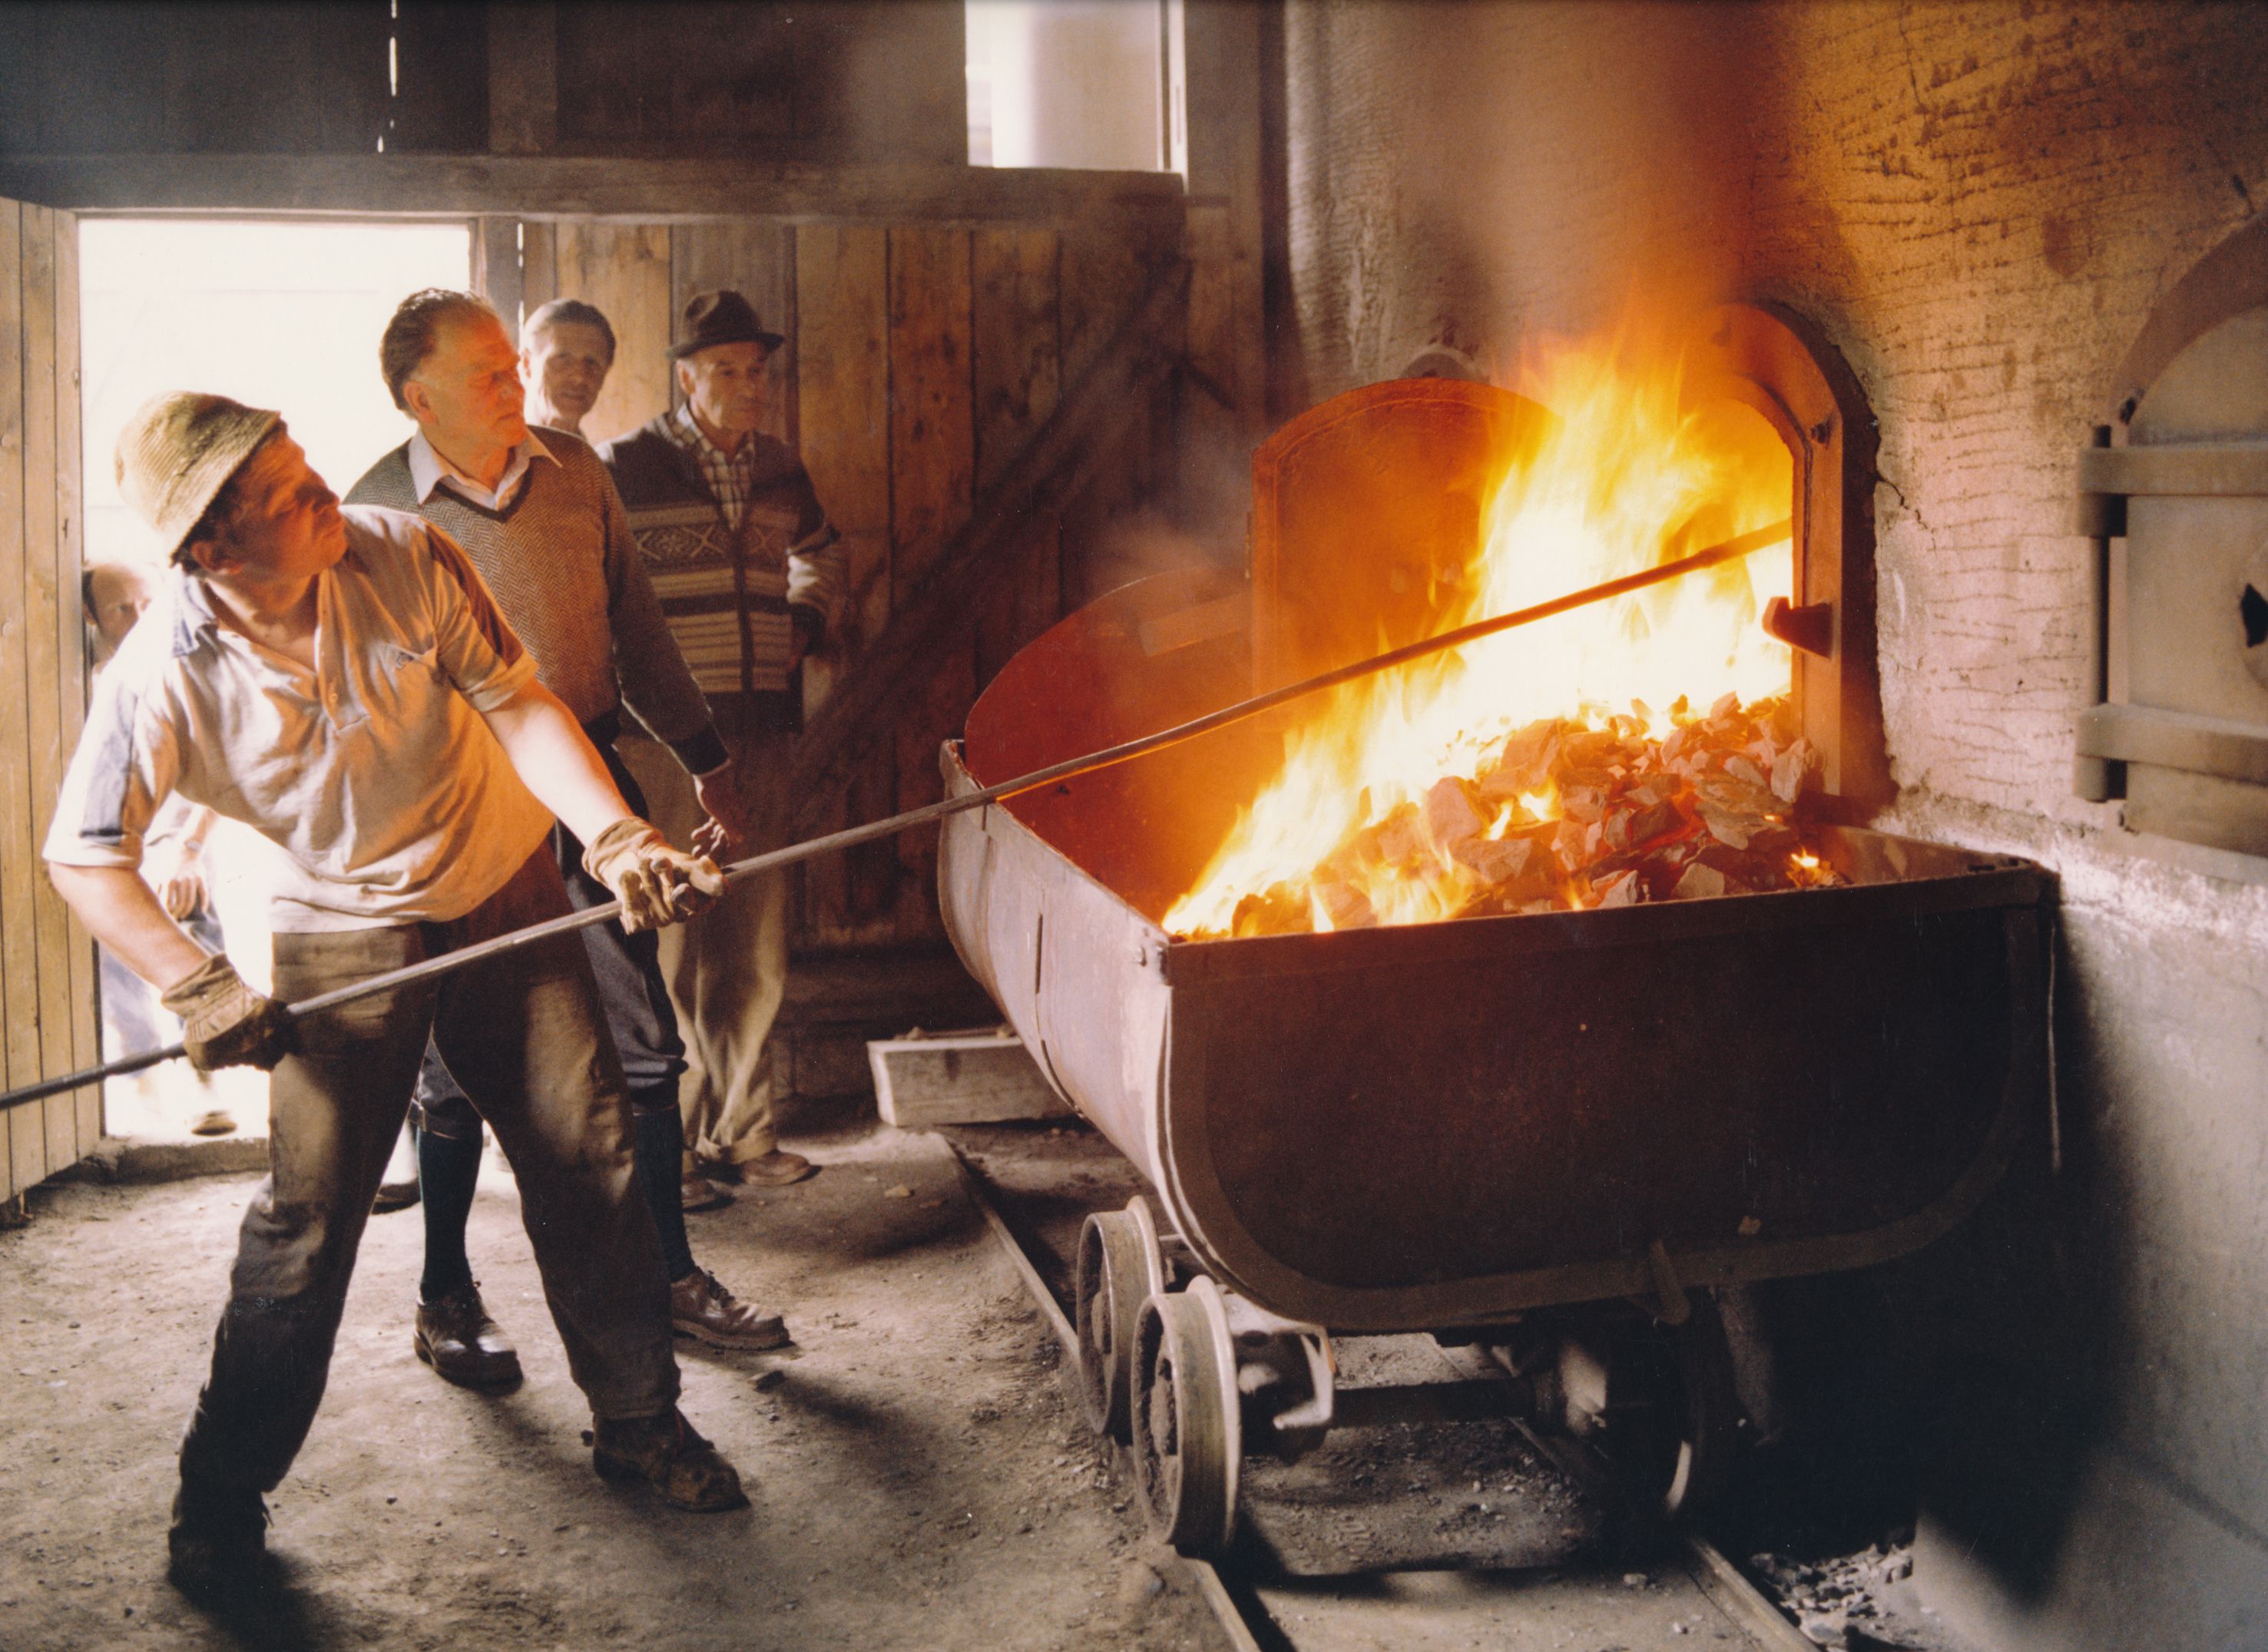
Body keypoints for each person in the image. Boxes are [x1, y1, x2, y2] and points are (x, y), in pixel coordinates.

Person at [46, 392, 750, 1603]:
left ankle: (639, 1418)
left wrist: (619, 833)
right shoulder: (162, 672)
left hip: (505, 882)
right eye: (288, 492)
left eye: (304, 463)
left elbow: (521, 701)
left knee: (590, 1160)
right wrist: (195, 979)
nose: (325, 488)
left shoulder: (405, 551)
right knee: (305, 1226)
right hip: (346, 925)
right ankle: (218, 1498)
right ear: (211, 548)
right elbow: (83, 852)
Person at [345, 289, 786, 1390]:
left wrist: (704, 756)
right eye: (489, 372)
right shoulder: (373, 513)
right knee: (452, 1071)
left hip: (591, 796)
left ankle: (669, 1275)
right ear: (419, 394)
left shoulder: (574, 477)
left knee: (643, 1044)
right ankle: (444, 1293)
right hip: (454, 815)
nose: (515, 386)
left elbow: (635, 629)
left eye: (512, 365)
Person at [602, 290, 846, 1194]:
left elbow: (823, 552)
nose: (749, 387)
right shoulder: (623, 466)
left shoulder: (782, 468)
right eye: (728, 371)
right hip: (663, 743)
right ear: (686, 377)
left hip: (761, 734)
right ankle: (669, 1150)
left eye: (758, 372)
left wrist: (804, 625)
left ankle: (741, 1135)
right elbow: (591, 592)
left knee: (753, 940)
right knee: (666, 939)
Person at [81, 561, 234, 1134]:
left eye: (148, 602)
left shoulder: (182, 667)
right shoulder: (78, 684)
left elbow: (224, 771)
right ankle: (142, 1085)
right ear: (91, 616)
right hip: (115, 847)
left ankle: (204, 1079)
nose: (139, 617)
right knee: (116, 968)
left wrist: (190, 848)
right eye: (122, 607)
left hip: (176, 842)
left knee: (196, 952)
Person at [521, 297, 614, 439]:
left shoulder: (592, 458)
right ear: (527, 364)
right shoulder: (495, 454)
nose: (580, 377)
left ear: (606, 371)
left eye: (592, 363)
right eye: (563, 359)